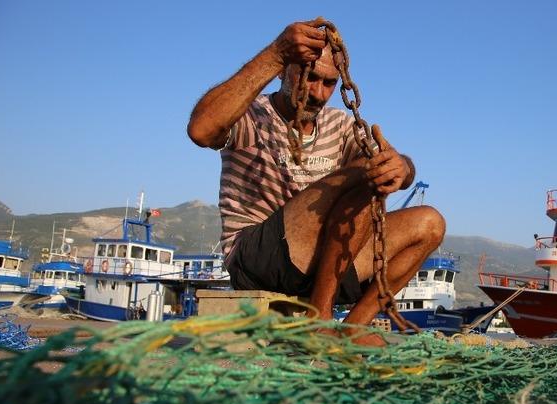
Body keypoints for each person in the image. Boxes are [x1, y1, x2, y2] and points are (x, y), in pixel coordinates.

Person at [186, 20, 445, 346]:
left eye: (328, 83)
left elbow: (395, 167)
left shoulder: (341, 125)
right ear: (284, 70)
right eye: (309, 77)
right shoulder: (251, 116)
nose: (318, 93)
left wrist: (401, 168)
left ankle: (354, 327)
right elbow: (201, 131)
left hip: (322, 266)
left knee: (429, 223)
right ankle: (319, 316)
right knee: (363, 172)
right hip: (257, 258)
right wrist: (275, 54)